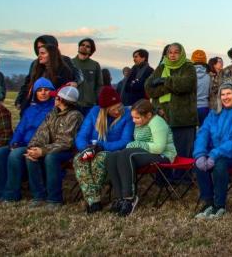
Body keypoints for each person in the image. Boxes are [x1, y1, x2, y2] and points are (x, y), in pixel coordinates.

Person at [193, 82, 232, 219]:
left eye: (229, 94)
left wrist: (215, 154)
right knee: (199, 162)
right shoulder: (213, 114)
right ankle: (208, 202)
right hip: (215, 153)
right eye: (222, 94)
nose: (225, 97)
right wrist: (200, 154)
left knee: (219, 163)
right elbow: (203, 134)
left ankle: (219, 205)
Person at [106, 98, 176, 217]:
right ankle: (120, 198)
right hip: (146, 152)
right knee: (112, 156)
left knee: (125, 154)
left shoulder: (157, 122)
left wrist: (137, 144)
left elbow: (159, 148)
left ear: (148, 115)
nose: (134, 121)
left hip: (163, 155)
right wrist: (136, 145)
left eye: (137, 118)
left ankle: (130, 198)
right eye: (133, 117)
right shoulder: (140, 123)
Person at [0, 77, 56, 204]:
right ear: (35, 93)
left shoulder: (54, 109)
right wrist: (13, 142)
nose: (43, 93)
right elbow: (20, 129)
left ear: (51, 92)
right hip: (22, 143)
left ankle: (11, 195)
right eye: (39, 90)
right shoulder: (30, 109)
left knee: (15, 155)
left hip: (39, 145)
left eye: (46, 90)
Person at [74, 85, 135, 213]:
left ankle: (92, 200)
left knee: (100, 160)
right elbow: (82, 135)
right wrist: (85, 148)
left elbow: (126, 141)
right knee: (79, 160)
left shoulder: (127, 115)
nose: (118, 110)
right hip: (92, 148)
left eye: (119, 106)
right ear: (105, 109)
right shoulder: (94, 112)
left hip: (112, 152)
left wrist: (101, 147)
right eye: (114, 109)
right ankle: (94, 201)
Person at [25, 86, 84, 209]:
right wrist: (33, 148)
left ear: (62, 100)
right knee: (31, 156)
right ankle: (39, 196)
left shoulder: (75, 116)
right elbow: (41, 132)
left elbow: (66, 142)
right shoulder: (52, 112)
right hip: (50, 148)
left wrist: (43, 151)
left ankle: (54, 199)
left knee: (51, 158)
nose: (54, 99)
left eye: (57, 97)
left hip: (68, 151)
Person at [144, 43, 197, 159]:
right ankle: (163, 177)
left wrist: (164, 81)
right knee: (163, 152)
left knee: (182, 154)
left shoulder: (188, 67)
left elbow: (186, 85)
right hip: (162, 117)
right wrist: (171, 86)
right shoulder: (161, 67)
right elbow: (148, 88)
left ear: (181, 53)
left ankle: (181, 177)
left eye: (176, 52)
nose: (173, 55)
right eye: (170, 52)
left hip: (183, 119)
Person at [15, 35, 83, 113]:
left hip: (55, 103)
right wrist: (20, 100)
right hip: (36, 104)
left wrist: (76, 82)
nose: (40, 49)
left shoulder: (65, 61)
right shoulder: (35, 63)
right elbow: (28, 83)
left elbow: (77, 73)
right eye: (38, 47)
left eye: (43, 46)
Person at [71, 38, 103, 117]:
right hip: (72, 104)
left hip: (89, 106)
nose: (84, 47)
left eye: (88, 46)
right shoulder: (70, 63)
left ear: (91, 50)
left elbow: (99, 85)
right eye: (82, 45)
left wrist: (95, 99)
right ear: (78, 47)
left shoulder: (95, 65)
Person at [191, 49, 212, 126]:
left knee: (192, 134)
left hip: (191, 107)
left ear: (192, 60)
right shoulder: (209, 76)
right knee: (204, 133)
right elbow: (211, 93)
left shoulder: (188, 76)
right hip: (204, 107)